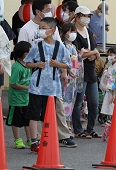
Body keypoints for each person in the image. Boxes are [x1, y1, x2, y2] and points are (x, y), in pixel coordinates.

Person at [18, 0, 76, 148]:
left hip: (53, 84)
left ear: (51, 30)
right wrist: (35, 65)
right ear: (38, 11)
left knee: (52, 112)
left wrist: (62, 68)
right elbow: (25, 59)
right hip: (37, 84)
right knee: (34, 113)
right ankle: (35, 140)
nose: (41, 31)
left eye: (44, 28)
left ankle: (55, 136)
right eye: (47, 9)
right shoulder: (31, 37)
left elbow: (66, 61)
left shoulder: (57, 40)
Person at [72, 6, 101, 139]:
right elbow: (78, 54)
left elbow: (94, 51)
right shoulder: (72, 32)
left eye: (89, 16)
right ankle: (78, 129)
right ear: (77, 16)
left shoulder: (88, 31)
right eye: (84, 16)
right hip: (79, 71)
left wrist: (92, 53)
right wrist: (93, 53)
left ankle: (90, 128)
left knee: (94, 103)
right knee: (78, 101)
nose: (87, 18)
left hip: (90, 70)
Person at [6, 41, 32, 149]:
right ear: (25, 54)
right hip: (16, 99)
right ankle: (17, 140)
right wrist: (27, 88)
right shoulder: (17, 67)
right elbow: (13, 83)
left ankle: (30, 140)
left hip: (26, 98)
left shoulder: (28, 65)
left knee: (28, 120)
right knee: (16, 121)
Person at [61, 22, 83, 131]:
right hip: (67, 77)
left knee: (71, 101)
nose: (72, 34)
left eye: (74, 31)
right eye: (69, 31)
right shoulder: (63, 46)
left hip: (74, 77)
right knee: (65, 100)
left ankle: (68, 125)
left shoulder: (73, 46)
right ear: (64, 33)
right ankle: (65, 126)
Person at [100, 47, 116, 119]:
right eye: (108, 54)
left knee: (112, 106)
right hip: (108, 88)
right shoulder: (110, 65)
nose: (110, 56)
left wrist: (106, 72)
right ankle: (109, 120)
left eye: (111, 54)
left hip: (113, 88)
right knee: (109, 106)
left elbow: (111, 75)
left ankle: (111, 120)